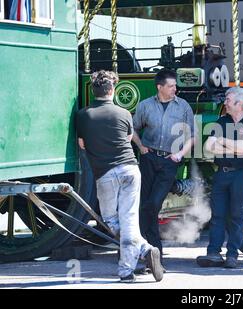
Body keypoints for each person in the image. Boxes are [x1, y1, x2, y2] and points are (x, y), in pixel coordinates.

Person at [76, 70, 164, 283]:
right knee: (129, 220)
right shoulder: (124, 113)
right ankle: (145, 249)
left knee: (111, 220)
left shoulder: (83, 115)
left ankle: (127, 270)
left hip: (105, 173)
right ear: (112, 90)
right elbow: (127, 138)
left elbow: (82, 144)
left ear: (93, 91)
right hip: (130, 170)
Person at [132, 69, 196, 262]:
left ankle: (148, 248)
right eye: (171, 86)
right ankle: (150, 250)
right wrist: (141, 146)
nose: (175, 88)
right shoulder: (145, 106)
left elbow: (192, 136)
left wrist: (180, 154)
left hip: (170, 161)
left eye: (175, 85)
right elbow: (133, 128)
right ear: (160, 87)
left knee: (153, 203)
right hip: (149, 157)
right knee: (145, 203)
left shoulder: (183, 106)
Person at [196, 87, 243, 269]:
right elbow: (209, 146)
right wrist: (233, 147)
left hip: (241, 175)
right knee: (217, 215)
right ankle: (213, 253)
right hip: (222, 173)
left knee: (237, 215)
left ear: (239, 103)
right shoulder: (221, 121)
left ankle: (232, 255)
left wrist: (222, 141)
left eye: (228, 100)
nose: (225, 103)